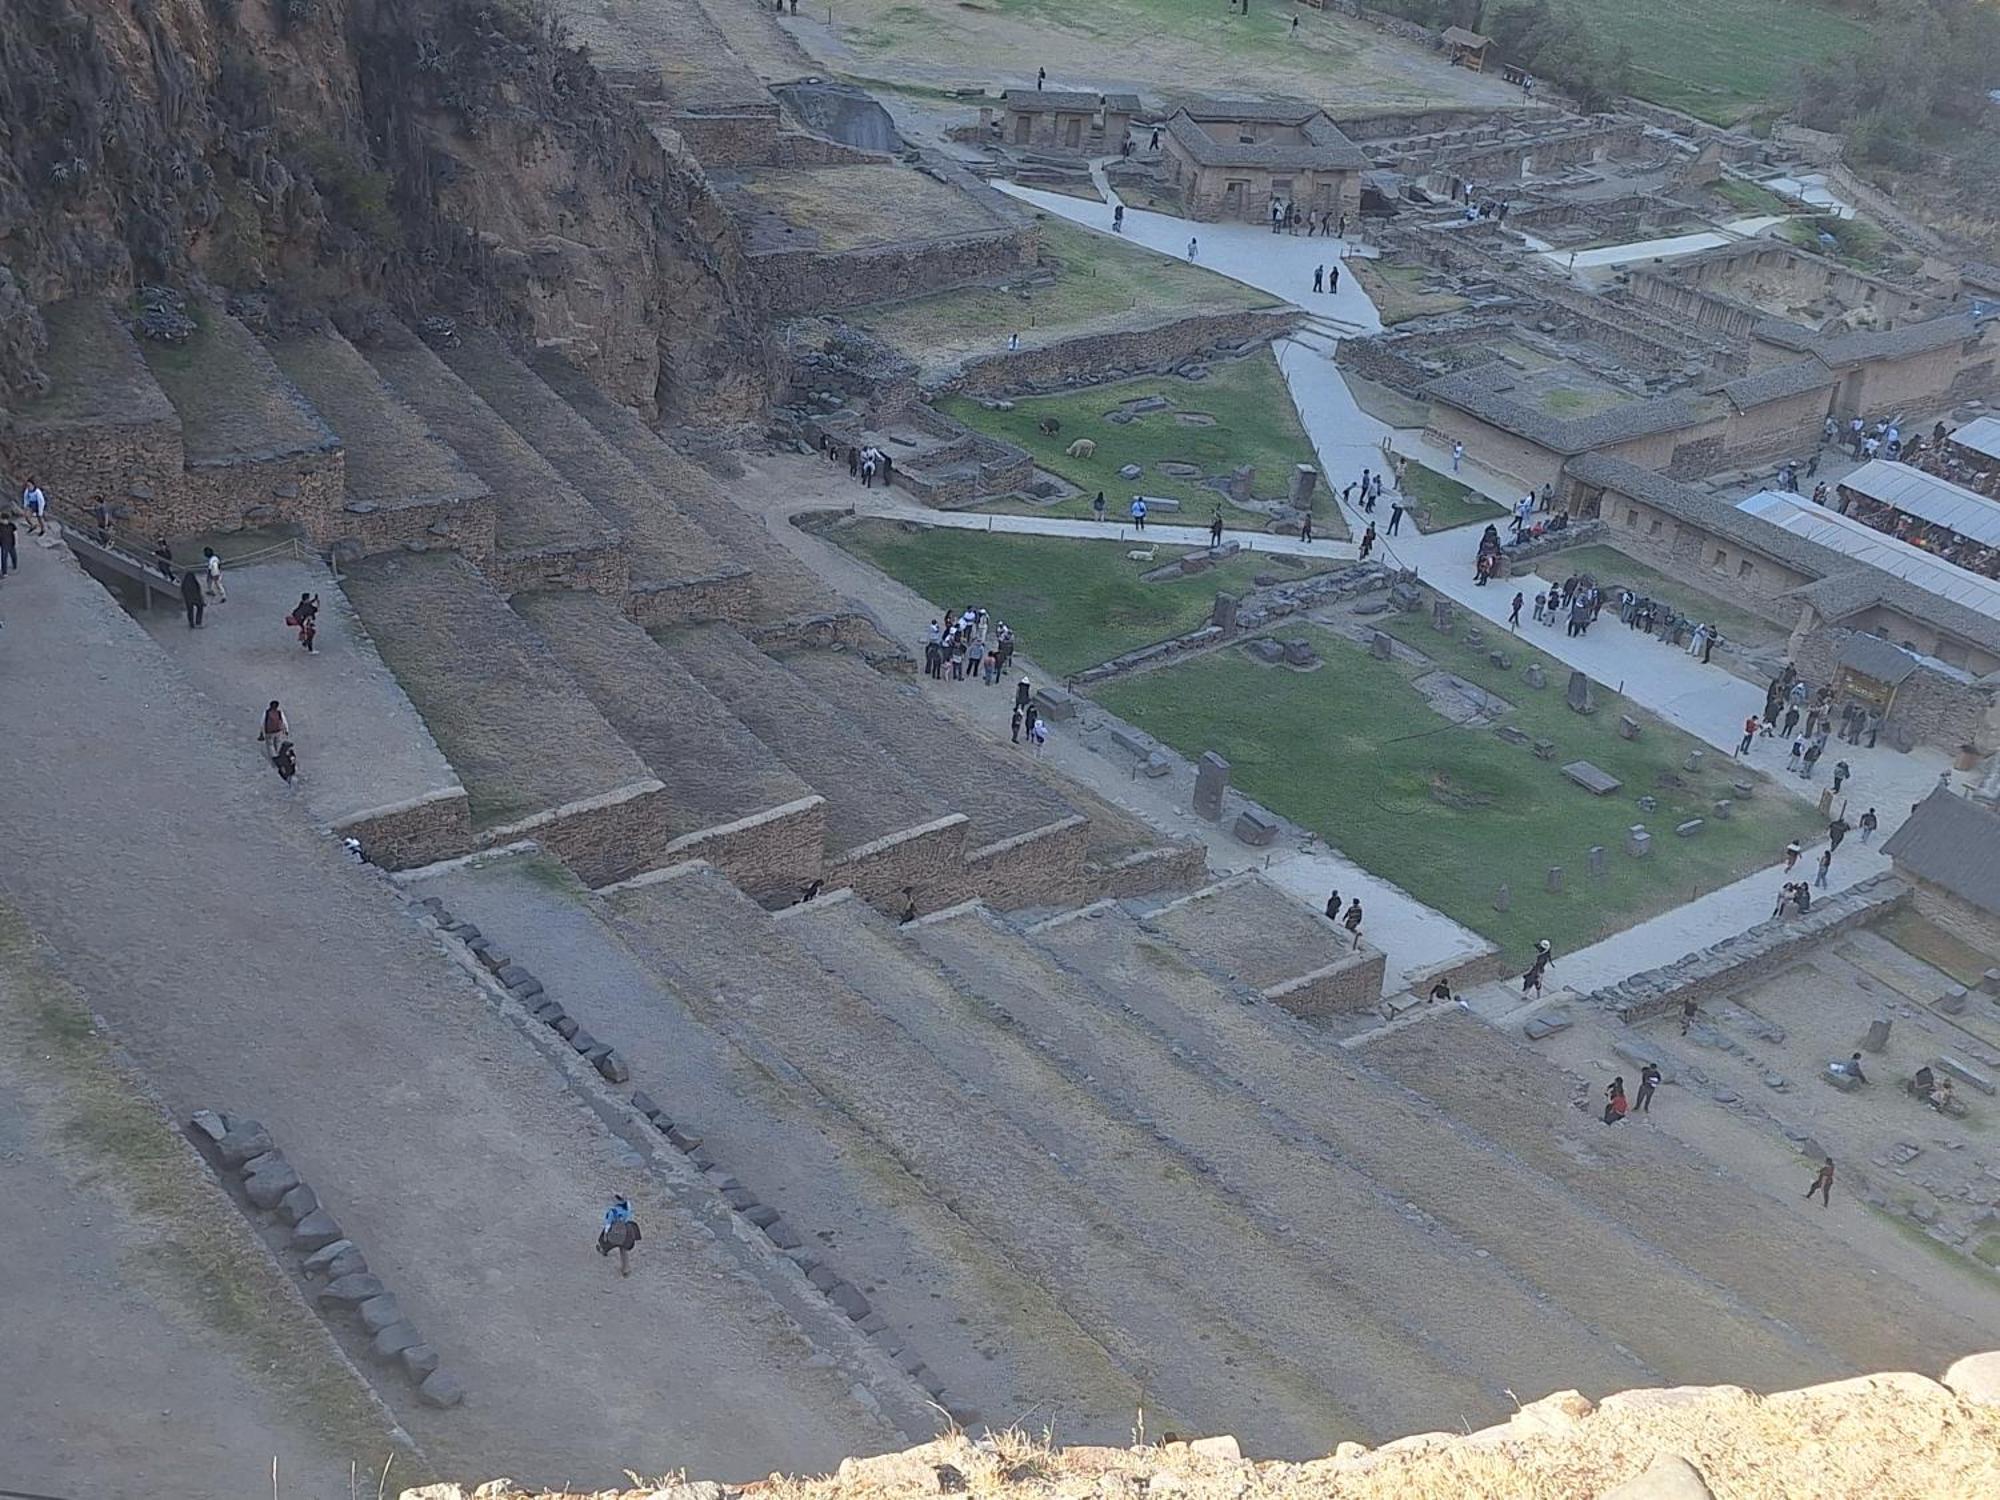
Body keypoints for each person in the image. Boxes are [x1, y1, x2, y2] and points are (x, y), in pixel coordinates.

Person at [597, 1197, 642, 1276]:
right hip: (625, 1231)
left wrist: (605, 1234)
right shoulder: (626, 1210)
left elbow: (608, 1225)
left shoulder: (612, 1212)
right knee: (623, 1250)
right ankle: (625, 1269)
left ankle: (603, 1250)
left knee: (606, 1242)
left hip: (614, 1231)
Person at [179, 563, 205, 629]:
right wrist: (201, 598)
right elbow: (198, 589)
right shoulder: (194, 581)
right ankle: (198, 622)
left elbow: (182, 590)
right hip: (196, 598)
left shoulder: (185, 583)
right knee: (200, 607)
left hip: (188, 599)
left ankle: (191, 624)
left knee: (190, 611)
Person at [0, 511, 16, 579]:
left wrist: (16, 542)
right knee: (4, 557)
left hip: (11, 543)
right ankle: (4, 572)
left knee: (14, 555)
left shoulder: (12, 525)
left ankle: (14, 564)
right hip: (3, 544)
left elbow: (15, 533)